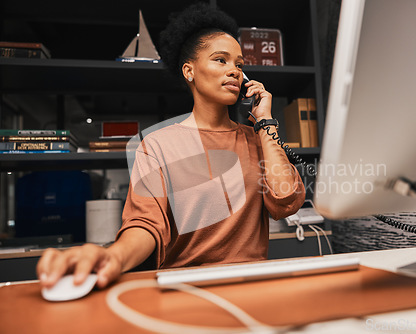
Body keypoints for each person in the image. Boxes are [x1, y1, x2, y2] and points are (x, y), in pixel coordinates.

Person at [37, 3, 305, 289]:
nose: (235, 72)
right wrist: (113, 256)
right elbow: (146, 223)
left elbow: (285, 202)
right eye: (221, 60)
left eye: (239, 65)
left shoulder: (258, 138)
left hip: (253, 286)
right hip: (185, 289)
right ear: (189, 71)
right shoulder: (157, 145)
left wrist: (265, 121)